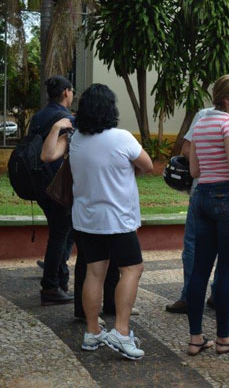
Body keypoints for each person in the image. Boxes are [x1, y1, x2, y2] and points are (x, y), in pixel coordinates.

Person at [43, 83, 154, 359]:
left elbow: (47, 155)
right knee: (132, 269)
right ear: (110, 109)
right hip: (118, 220)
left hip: (85, 220)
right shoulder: (122, 138)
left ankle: (92, 332)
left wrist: (57, 128)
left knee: (94, 273)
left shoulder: (76, 139)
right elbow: (148, 165)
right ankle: (121, 331)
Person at [165, 75, 229, 315]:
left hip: (201, 190)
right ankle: (221, 317)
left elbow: (188, 152)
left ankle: (190, 300)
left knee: (195, 249)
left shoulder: (203, 118)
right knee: (228, 258)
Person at [186, 75, 229, 356]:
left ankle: (195, 338)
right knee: (227, 269)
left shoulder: (200, 123)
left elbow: (194, 171)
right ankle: (224, 338)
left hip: (201, 196)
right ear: (227, 98)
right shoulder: (228, 123)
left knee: (199, 270)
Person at [29, 75, 75, 305]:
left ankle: (60, 277)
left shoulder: (38, 116)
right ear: (66, 92)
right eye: (72, 91)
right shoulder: (65, 119)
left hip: (38, 183)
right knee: (60, 235)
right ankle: (50, 286)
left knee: (63, 231)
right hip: (57, 185)